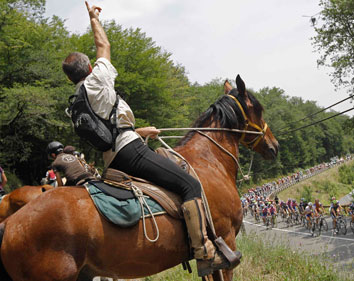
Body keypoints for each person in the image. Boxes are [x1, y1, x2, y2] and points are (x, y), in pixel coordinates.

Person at [61, 2, 239, 276]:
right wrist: (94, 19)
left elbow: (109, 131)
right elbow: (104, 46)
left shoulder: (78, 98)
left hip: (114, 158)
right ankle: (203, 251)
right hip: (130, 152)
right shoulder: (97, 81)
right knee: (190, 185)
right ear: (88, 68)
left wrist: (141, 132)